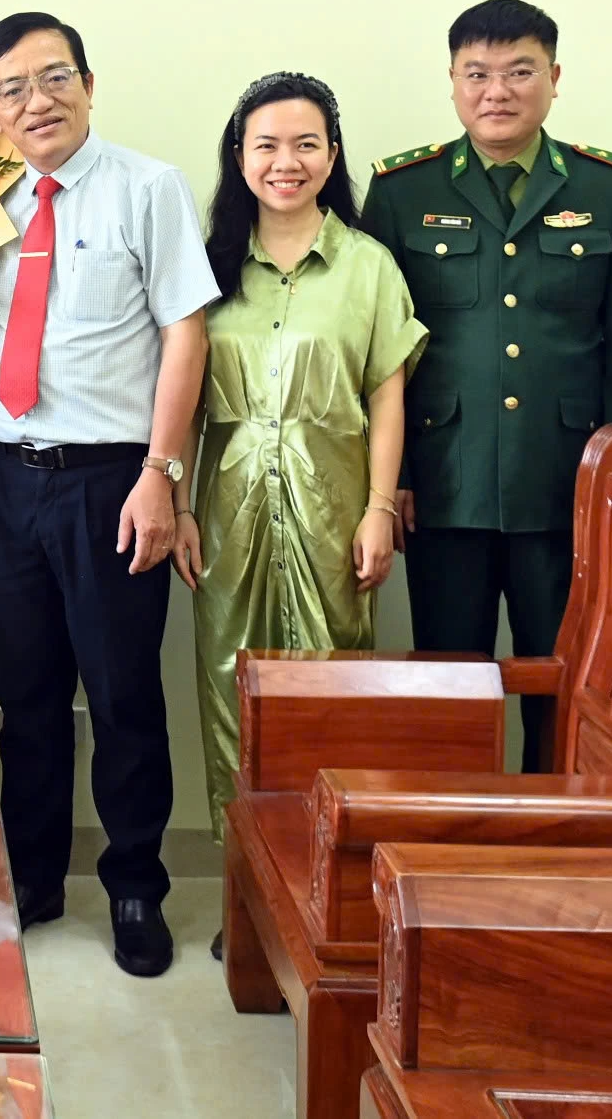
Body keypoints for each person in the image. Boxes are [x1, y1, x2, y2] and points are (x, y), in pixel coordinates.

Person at [0, 11, 215, 979]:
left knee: (124, 695)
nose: (35, 101)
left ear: (88, 84)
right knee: (26, 693)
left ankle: (134, 887)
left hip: (111, 482)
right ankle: (32, 878)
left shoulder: (148, 187)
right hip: (10, 478)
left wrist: (161, 476)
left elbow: (185, 334)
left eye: (53, 78)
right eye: (11, 88)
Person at [357, 0, 612, 771]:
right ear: (452, 81)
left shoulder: (610, 188)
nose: (497, 91)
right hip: (443, 483)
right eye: (477, 73)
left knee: (567, 684)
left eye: (519, 72)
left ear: (554, 77)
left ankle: (556, 827)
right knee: (449, 686)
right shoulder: (403, 190)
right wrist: (395, 479)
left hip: (566, 485)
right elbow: (380, 352)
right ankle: (453, 833)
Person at [189, 73, 423, 915]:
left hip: (334, 516)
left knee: (334, 698)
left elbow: (387, 397)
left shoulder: (368, 265)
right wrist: (176, 504)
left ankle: (327, 901)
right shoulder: (207, 263)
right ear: (239, 155)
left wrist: (379, 509)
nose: (285, 162)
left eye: (305, 144)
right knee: (233, 696)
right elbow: (179, 394)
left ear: (331, 154)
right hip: (228, 517)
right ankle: (247, 904)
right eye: (266, 145)